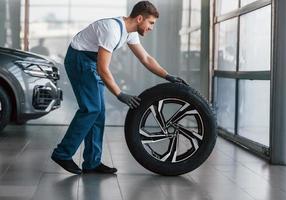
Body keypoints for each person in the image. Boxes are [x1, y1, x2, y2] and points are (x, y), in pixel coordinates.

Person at [51, 1, 186, 175]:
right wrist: (119, 94)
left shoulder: (130, 33)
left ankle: (92, 163)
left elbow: (146, 59)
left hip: (89, 61)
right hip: (79, 60)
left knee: (98, 112)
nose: (152, 27)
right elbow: (103, 68)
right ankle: (62, 153)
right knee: (91, 109)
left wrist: (168, 76)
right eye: (151, 23)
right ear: (139, 18)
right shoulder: (112, 30)